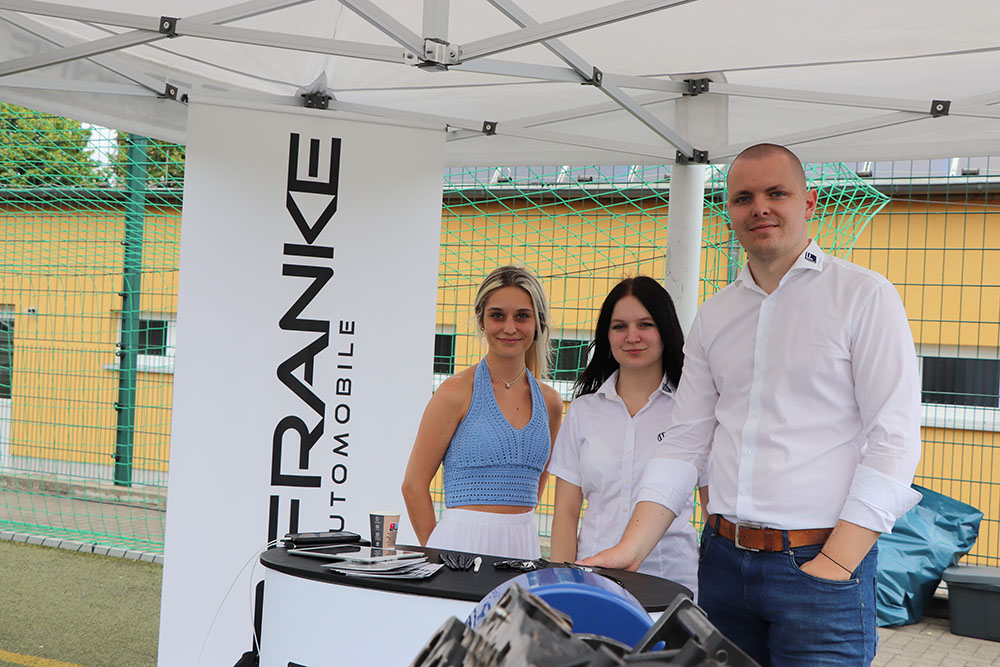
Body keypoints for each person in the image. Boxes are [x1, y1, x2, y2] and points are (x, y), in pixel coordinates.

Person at [583, 144, 922, 666]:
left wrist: (836, 564)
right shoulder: (715, 316)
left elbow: (894, 440)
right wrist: (633, 547)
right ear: (729, 211)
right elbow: (685, 441)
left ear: (808, 203)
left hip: (821, 565)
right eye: (743, 197)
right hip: (723, 566)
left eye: (775, 193)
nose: (759, 207)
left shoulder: (864, 296)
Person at [548, 277, 699, 597]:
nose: (632, 337)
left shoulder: (690, 411)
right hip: (594, 580)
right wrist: (562, 584)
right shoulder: (583, 412)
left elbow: (713, 507)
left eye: (645, 324)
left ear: (665, 330)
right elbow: (566, 513)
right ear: (606, 335)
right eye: (619, 327)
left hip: (670, 582)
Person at [402, 265, 564, 559]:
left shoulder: (551, 402)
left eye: (522, 316)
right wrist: (441, 556)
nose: (510, 328)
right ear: (481, 321)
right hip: (461, 547)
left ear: (538, 322)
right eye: (497, 315)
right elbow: (413, 486)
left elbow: (536, 483)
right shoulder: (455, 393)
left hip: (523, 546)